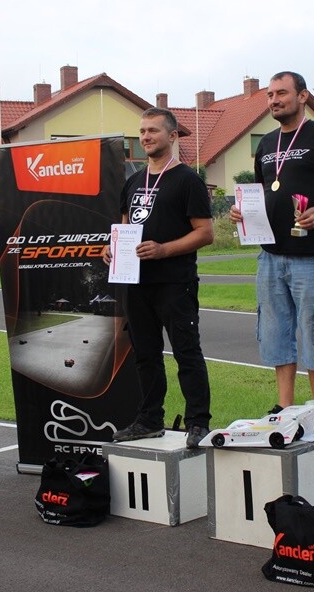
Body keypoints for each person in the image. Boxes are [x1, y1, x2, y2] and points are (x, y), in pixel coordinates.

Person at [229, 71, 314, 421]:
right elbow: (260, 193)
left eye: (282, 93)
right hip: (270, 256)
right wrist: (242, 213)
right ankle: (284, 407)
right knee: (275, 332)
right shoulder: (266, 144)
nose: (274, 100)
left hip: (312, 256)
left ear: (303, 96)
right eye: (270, 95)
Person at [104, 108, 214, 449]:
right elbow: (124, 226)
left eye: (153, 130)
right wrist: (112, 248)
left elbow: (206, 233)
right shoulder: (133, 181)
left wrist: (164, 250)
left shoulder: (187, 180)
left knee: (186, 353)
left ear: (172, 136)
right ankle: (149, 419)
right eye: (142, 131)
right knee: (146, 355)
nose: (146, 137)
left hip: (174, 282)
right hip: (136, 284)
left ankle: (198, 422)